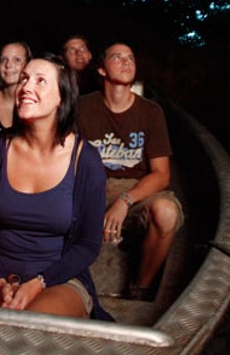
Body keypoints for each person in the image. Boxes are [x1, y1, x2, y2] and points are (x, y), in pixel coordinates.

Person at [0, 54, 113, 320]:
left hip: (58, 278)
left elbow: (87, 244)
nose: (26, 87)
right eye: (24, 79)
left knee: (32, 331)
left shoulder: (85, 160)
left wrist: (39, 282)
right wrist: (0, 279)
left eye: (40, 81)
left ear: (62, 97)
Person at [76, 42, 184, 301]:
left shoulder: (150, 112)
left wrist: (125, 201)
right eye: (117, 57)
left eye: (131, 58)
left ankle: (140, 290)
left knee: (167, 213)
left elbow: (161, 174)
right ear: (101, 69)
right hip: (92, 184)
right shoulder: (82, 107)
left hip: (134, 187)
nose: (126, 62)